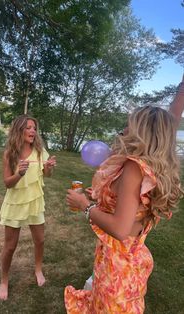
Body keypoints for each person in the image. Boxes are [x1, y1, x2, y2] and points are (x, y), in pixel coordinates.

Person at [65, 76, 184, 313]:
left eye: (131, 123)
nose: (125, 127)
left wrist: (85, 205)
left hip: (118, 266)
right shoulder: (151, 168)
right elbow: (132, 209)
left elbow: (120, 229)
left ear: (142, 131)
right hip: (131, 260)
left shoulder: (133, 167)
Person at [0, 114, 56, 301]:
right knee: (10, 246)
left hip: (35, 201)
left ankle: (38, 269)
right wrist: (19, 174)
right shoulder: (9, 154)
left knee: (40, 240)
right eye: (28, 127)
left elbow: (47, 174)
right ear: (19, 130)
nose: (33, 131)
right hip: (15, 202)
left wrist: (49, 166)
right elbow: (7, 183)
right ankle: (4, 280)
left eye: (34, 128)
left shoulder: (39, 151)